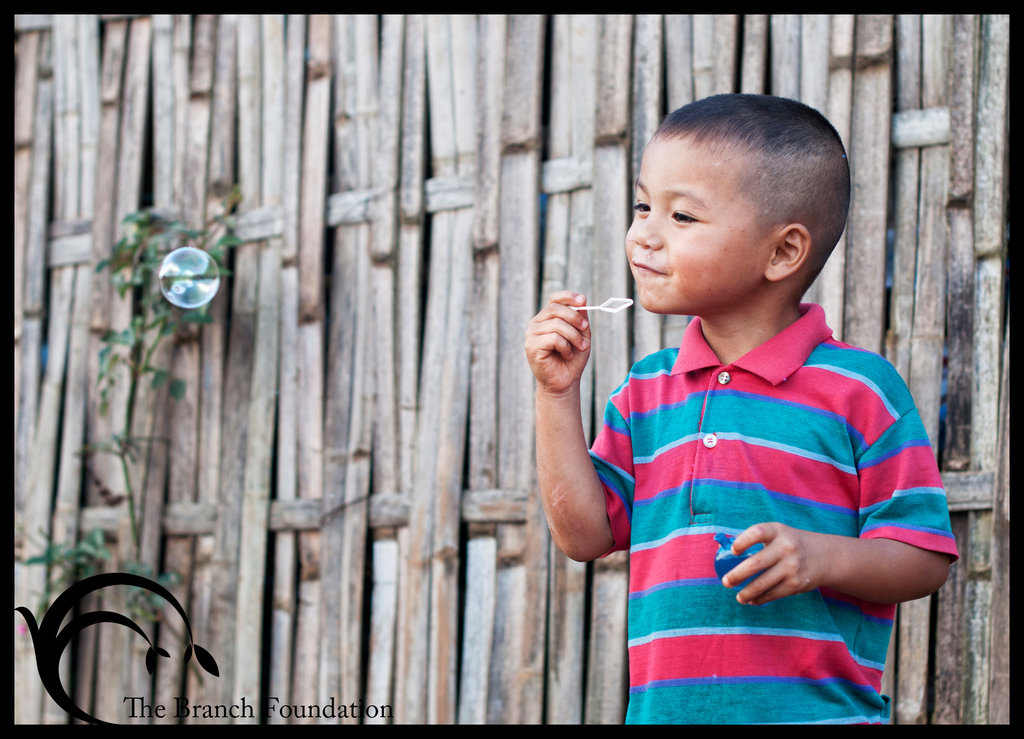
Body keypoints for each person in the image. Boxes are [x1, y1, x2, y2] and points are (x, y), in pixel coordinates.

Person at [524, 94, 958, 724]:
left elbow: (923, 557)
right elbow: (583, 535)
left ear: (782, 252)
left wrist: (820, 557)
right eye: (644, 206)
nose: (643, 233)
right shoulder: (646, 391)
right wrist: (557, 395)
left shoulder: (861, 391)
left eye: (682, 217)